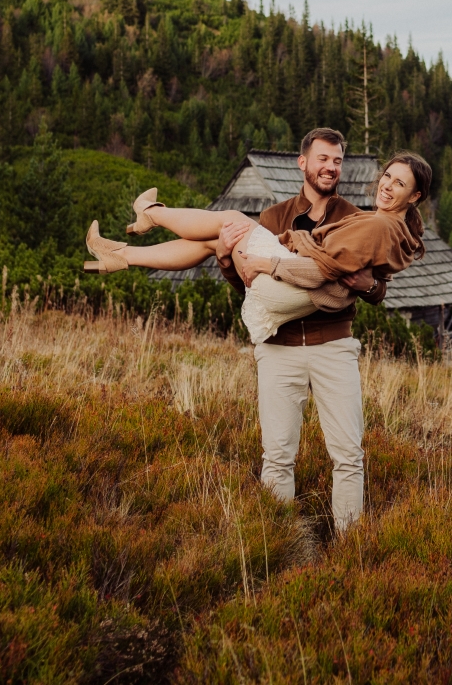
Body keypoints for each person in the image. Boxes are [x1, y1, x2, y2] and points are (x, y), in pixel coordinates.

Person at [83, 130, 431, 531]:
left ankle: (147, 220)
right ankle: (277, 542)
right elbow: (246, 287)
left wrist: (365, 285)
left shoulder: (358, 218)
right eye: (322, 159)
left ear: (413, 196)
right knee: (277, 456)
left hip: (331, 343)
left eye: (337, 161)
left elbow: (376, 286)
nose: (330, 168)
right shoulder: (274, 217)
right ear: (302, 164)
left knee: (349, 456)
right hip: (279, 344)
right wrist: (228, 260)